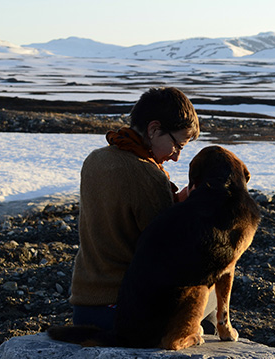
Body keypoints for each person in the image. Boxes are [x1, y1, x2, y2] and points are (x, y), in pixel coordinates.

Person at [68, 87, 213, 330]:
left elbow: (125, 217)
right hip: (124, 311)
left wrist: (177, 200)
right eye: (178, 145)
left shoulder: (95, 159)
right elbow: (167, 248)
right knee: (210, 297)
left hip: (84, 307)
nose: (176, 157)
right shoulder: (147, 173)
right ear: (154, 129)